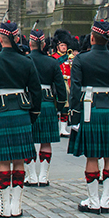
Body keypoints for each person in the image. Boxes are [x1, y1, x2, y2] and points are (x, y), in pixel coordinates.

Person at [0, 21, 44, 218]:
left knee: (3, 160)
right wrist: (33, 114)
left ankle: (4, 205)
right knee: (19, 160)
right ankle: (16, 205)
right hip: (22, 112)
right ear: (16, 39)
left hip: (0, 110)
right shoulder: (26, 61)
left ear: (0, 39)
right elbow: (36, 91)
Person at [67, 19, 109, 214]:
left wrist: (74, 117)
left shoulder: (81, 59)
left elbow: (75, 90)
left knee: (92, 155)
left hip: (89, 110)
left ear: (92, 38)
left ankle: (94, 201)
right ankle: (106, 200)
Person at [24, 28, 67, 187]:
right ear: (43, 44)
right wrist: (60, 106)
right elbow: (61, 88)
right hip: (48, 102)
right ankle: (43, 176)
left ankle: (32, 176)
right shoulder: (52, 61)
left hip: (29, 103)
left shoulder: (25, 60)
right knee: (46, 142)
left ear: (30, 43)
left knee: (28, 141)